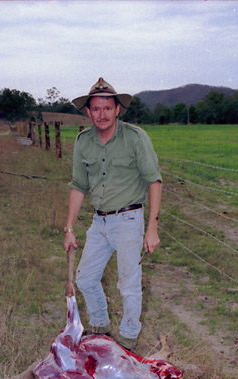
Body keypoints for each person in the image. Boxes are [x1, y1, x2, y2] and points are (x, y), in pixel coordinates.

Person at [64, 77, 162, 350]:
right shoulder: (83, 142)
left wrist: (151, 227)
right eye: (96, 109)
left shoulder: (135, 138)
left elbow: (154, 181)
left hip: (129, 220)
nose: (102, 114)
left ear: (117, 109)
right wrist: (69, 228)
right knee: (84, 277)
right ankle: (101, 330)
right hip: (99, 221)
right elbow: (78, 186)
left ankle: (128, 342)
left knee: (128, 285)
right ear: (88, 112)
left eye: (107, 108)